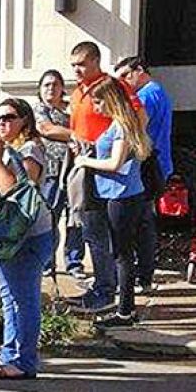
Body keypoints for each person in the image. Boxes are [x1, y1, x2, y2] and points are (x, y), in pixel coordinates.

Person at [0, 98, 51, 380]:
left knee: (24, 299)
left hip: (27, 236)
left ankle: (25, 361)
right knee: (9, 297)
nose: (2, 123)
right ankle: (9, 353)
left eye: (9, 117)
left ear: (24, 120)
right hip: (2, 235)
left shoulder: (30, 149)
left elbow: (14, 190)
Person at [66, 41, 142, 314]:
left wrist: (116, 147)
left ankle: (108, 292)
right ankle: (102, 286)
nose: (76, 69)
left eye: (81, 64)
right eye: (73, 64)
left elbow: (136, 117)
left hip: (106, 169)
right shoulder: (78, 91)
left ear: (96, 62)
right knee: (87, 227)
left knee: (103, 234)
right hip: (88, 160)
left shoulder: (111, 87)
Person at [74, 79, 153, 328]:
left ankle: (125, 312)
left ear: (111, 100)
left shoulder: (121, 125)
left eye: (98, 102)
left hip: (122, 196)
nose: (96, 107)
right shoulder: (125, 122)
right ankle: (125, 309)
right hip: (123, 194)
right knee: (124, 253)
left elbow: (114, 163)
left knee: (122, 255)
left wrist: (84, 161)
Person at [115, 55, 173, 294]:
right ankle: (145, 275)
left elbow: (134, 126)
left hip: (147, 165)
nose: (124, 83)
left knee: (140, 224)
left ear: (139, 70)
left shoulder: (146, 96)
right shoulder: (160, 92)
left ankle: (142, 275)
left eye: (126, 75)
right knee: (146, 221)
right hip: (157, 163)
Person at [33, 70, 85, 279]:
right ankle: (47, 262)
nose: (51, 89)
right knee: (50, 217)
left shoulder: (72, 108)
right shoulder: (39, 110)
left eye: (55, 84)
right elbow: (46, 129)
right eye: (46, 85)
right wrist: (76, 136)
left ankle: (74, 262)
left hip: (76, 169)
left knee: (76, 216)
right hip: (51, 172)